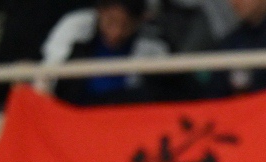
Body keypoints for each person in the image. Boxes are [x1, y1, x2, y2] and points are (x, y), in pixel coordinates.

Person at [40, 0, 171, 106]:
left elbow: (160, 92)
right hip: (72, 108)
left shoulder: (153, 44)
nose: (116, 33)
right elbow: (48, 72)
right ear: (100, 12)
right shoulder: (75, 27)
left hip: (122, 115)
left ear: (139, 21)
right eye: (111, 22)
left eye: (126, 25)